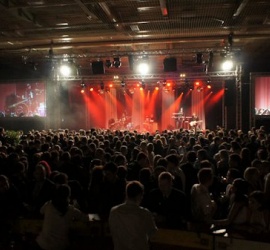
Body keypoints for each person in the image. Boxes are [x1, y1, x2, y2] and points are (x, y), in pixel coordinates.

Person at [36, 184, 89, 250]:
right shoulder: (71, 209)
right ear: (68, 195)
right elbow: (86, 218)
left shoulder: (49, 205)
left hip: (43, 244)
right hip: (60, 245)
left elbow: (41, 211)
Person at [109, 181, 157, 250]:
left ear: (126, 194)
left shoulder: (114, 211)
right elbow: (152, 233)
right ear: (139, 196)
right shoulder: (144, 213)